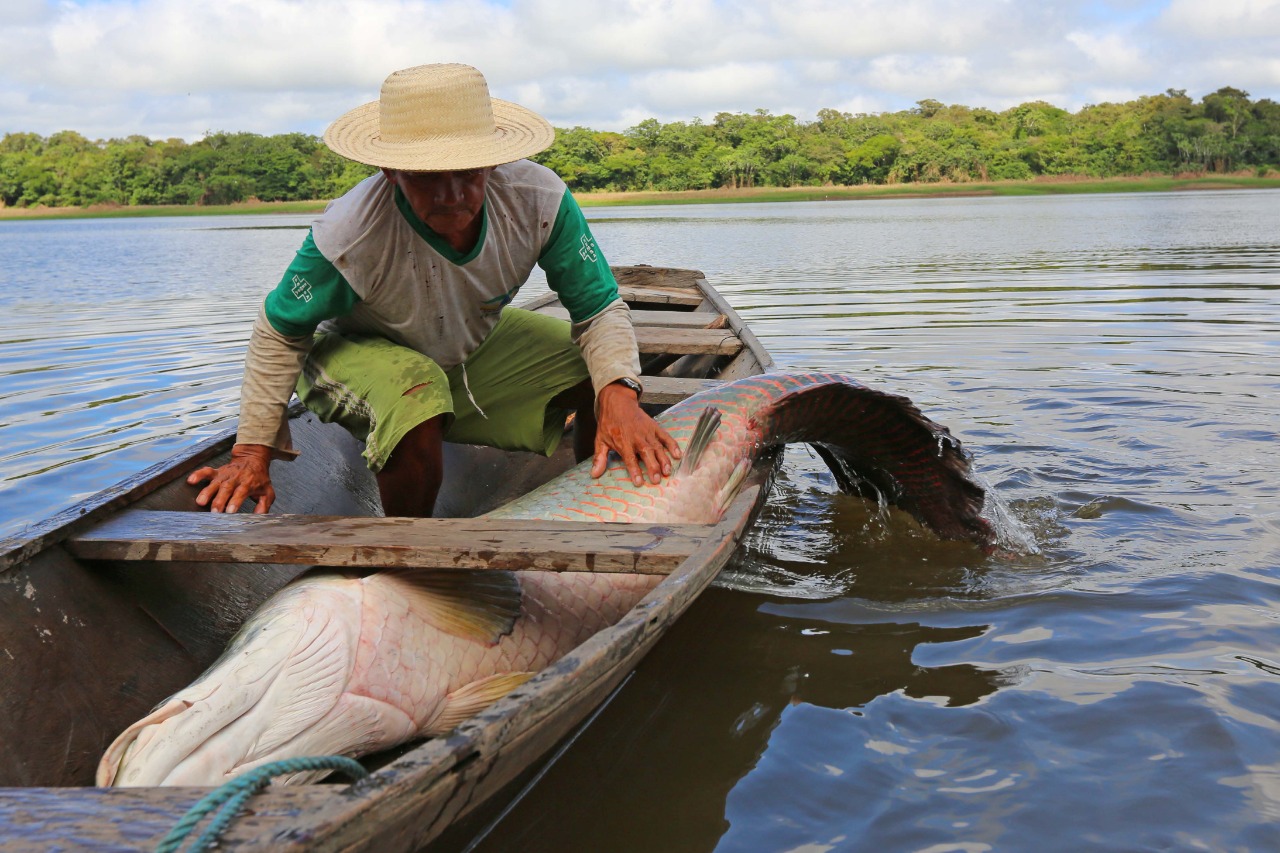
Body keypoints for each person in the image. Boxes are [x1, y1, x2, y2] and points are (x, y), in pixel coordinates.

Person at [188, 63, 680, 517]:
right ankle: (414, 563)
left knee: (602, 375)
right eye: (427, 177)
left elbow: (597, 308)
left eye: (467, 173)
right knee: (416, 388)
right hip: (352, 348)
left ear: (493, 162)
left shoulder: (540, 200)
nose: (451, 195)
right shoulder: (349, 236)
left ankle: (595, 499)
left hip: (462, 343)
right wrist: (252, 451)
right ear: (390, 171)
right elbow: (281, 330)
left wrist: (620, 395)